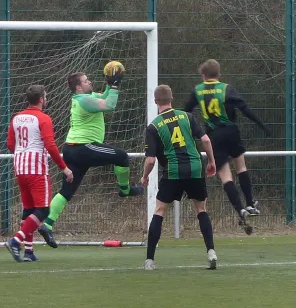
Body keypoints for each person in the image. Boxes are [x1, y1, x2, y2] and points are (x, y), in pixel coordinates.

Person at [37, 69, 143, 248]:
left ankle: (46, 224)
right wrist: (115, 85)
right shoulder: (84, 100)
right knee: (122, 157)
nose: (90, 82)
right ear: (78, 87)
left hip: (73, 149)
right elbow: (109, 105)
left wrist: (110, 84)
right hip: (83, 148)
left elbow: (104, 97)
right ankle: (125, 190)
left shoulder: (86, 96)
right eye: (86, 81)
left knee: (66, 192)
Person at [184, 59, 270, 233]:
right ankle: (250, 203)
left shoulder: (197, 90)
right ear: (219, 74)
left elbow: (186, 111)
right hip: (232, 131)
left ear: (203, 75)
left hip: (214, 135)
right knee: (241, 166)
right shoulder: (226, 88)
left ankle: (240, 210)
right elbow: (245, 109)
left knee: (225, 176)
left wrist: (193, 133)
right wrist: (262, 126)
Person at [141, 85, 217, 270]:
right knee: (201, 209)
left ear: (155, 101)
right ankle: (211, 252)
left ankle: (150, 260)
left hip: (173, 171)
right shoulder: (187, 116)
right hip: (194, 168)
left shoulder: (153, 127)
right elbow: (206, 140)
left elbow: (150, 160)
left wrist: (144, 177)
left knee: (159, 211)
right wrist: (211, 162)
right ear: (172, 98)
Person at [5, 85, 73, 262]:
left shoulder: (17, 118)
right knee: (43, 209)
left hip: (20, 168)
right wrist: (64, 168)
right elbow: (50, 145)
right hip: (36, 169)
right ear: (42, 99)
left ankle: (28, 252)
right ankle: (16, 240)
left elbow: (10, 144)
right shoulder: (43, 118)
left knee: (29, 210)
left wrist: (22, 153)